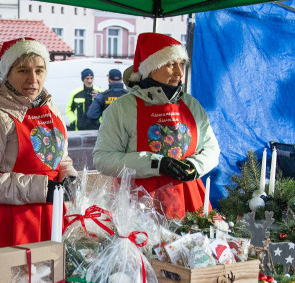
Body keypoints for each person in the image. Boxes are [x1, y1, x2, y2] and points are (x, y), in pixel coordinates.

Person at [0, 37, 77, 250]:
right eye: (23, 71)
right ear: (6, 74)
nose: (33, 79)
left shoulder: (50, 108)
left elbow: (59, 157)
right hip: (9, 224)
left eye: (39, 70)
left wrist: (68, 175)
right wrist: (43, 188)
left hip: (51, 217)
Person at [93, 33, 220, 220]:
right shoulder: (122, 108)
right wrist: (155, 163)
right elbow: (103, 159)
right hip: (139, 207)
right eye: (171, 64)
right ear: (151, 69)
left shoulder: (192, 105)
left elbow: (211, 149)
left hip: (189, 201)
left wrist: (194, 166)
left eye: (181, 64)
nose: (179, 72)